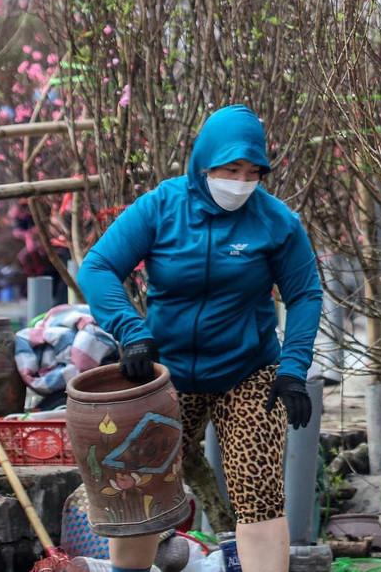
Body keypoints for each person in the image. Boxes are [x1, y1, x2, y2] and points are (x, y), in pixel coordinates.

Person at [79, 105, 323, 572]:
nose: (241, 182)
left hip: (248, 370)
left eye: (252, 172)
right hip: (164, 373)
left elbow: (305, 293)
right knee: (140, 486)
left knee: (258, 491)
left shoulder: (276, 222)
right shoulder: (161, 207)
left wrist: (293, 369)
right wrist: (132, 332)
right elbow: (98, 267)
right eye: (231, 169)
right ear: (205, 163)